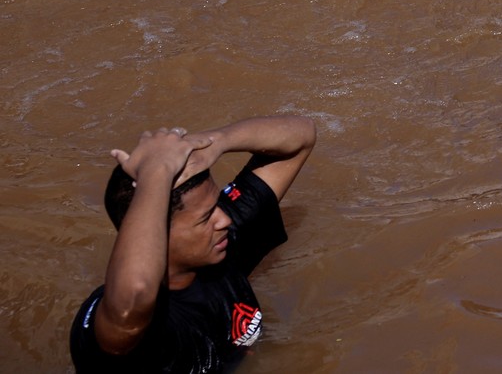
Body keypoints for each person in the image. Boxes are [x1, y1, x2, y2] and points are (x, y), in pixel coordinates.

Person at [70, 115, 317, 373]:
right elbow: (137, 290)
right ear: (159, 232)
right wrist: (158, 169)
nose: (224, 219)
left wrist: (216, 143)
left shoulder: (218, 244)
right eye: (206, 217)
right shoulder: (124, 323)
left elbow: (301, 136)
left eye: (217, 207)